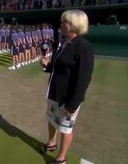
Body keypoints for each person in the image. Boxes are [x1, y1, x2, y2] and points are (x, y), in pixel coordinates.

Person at [39, 10, 94, 164]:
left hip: (67, 99)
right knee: (51, 119)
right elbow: (57, 67)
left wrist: (72, 104)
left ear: (74, 25)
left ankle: (61, 157)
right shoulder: (63, 43)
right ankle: (51, 143)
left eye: (64, 22)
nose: (61, 24)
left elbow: (84, 79)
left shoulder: (84, 47)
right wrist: (47, 66)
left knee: (65, 128)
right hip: (54, 93)